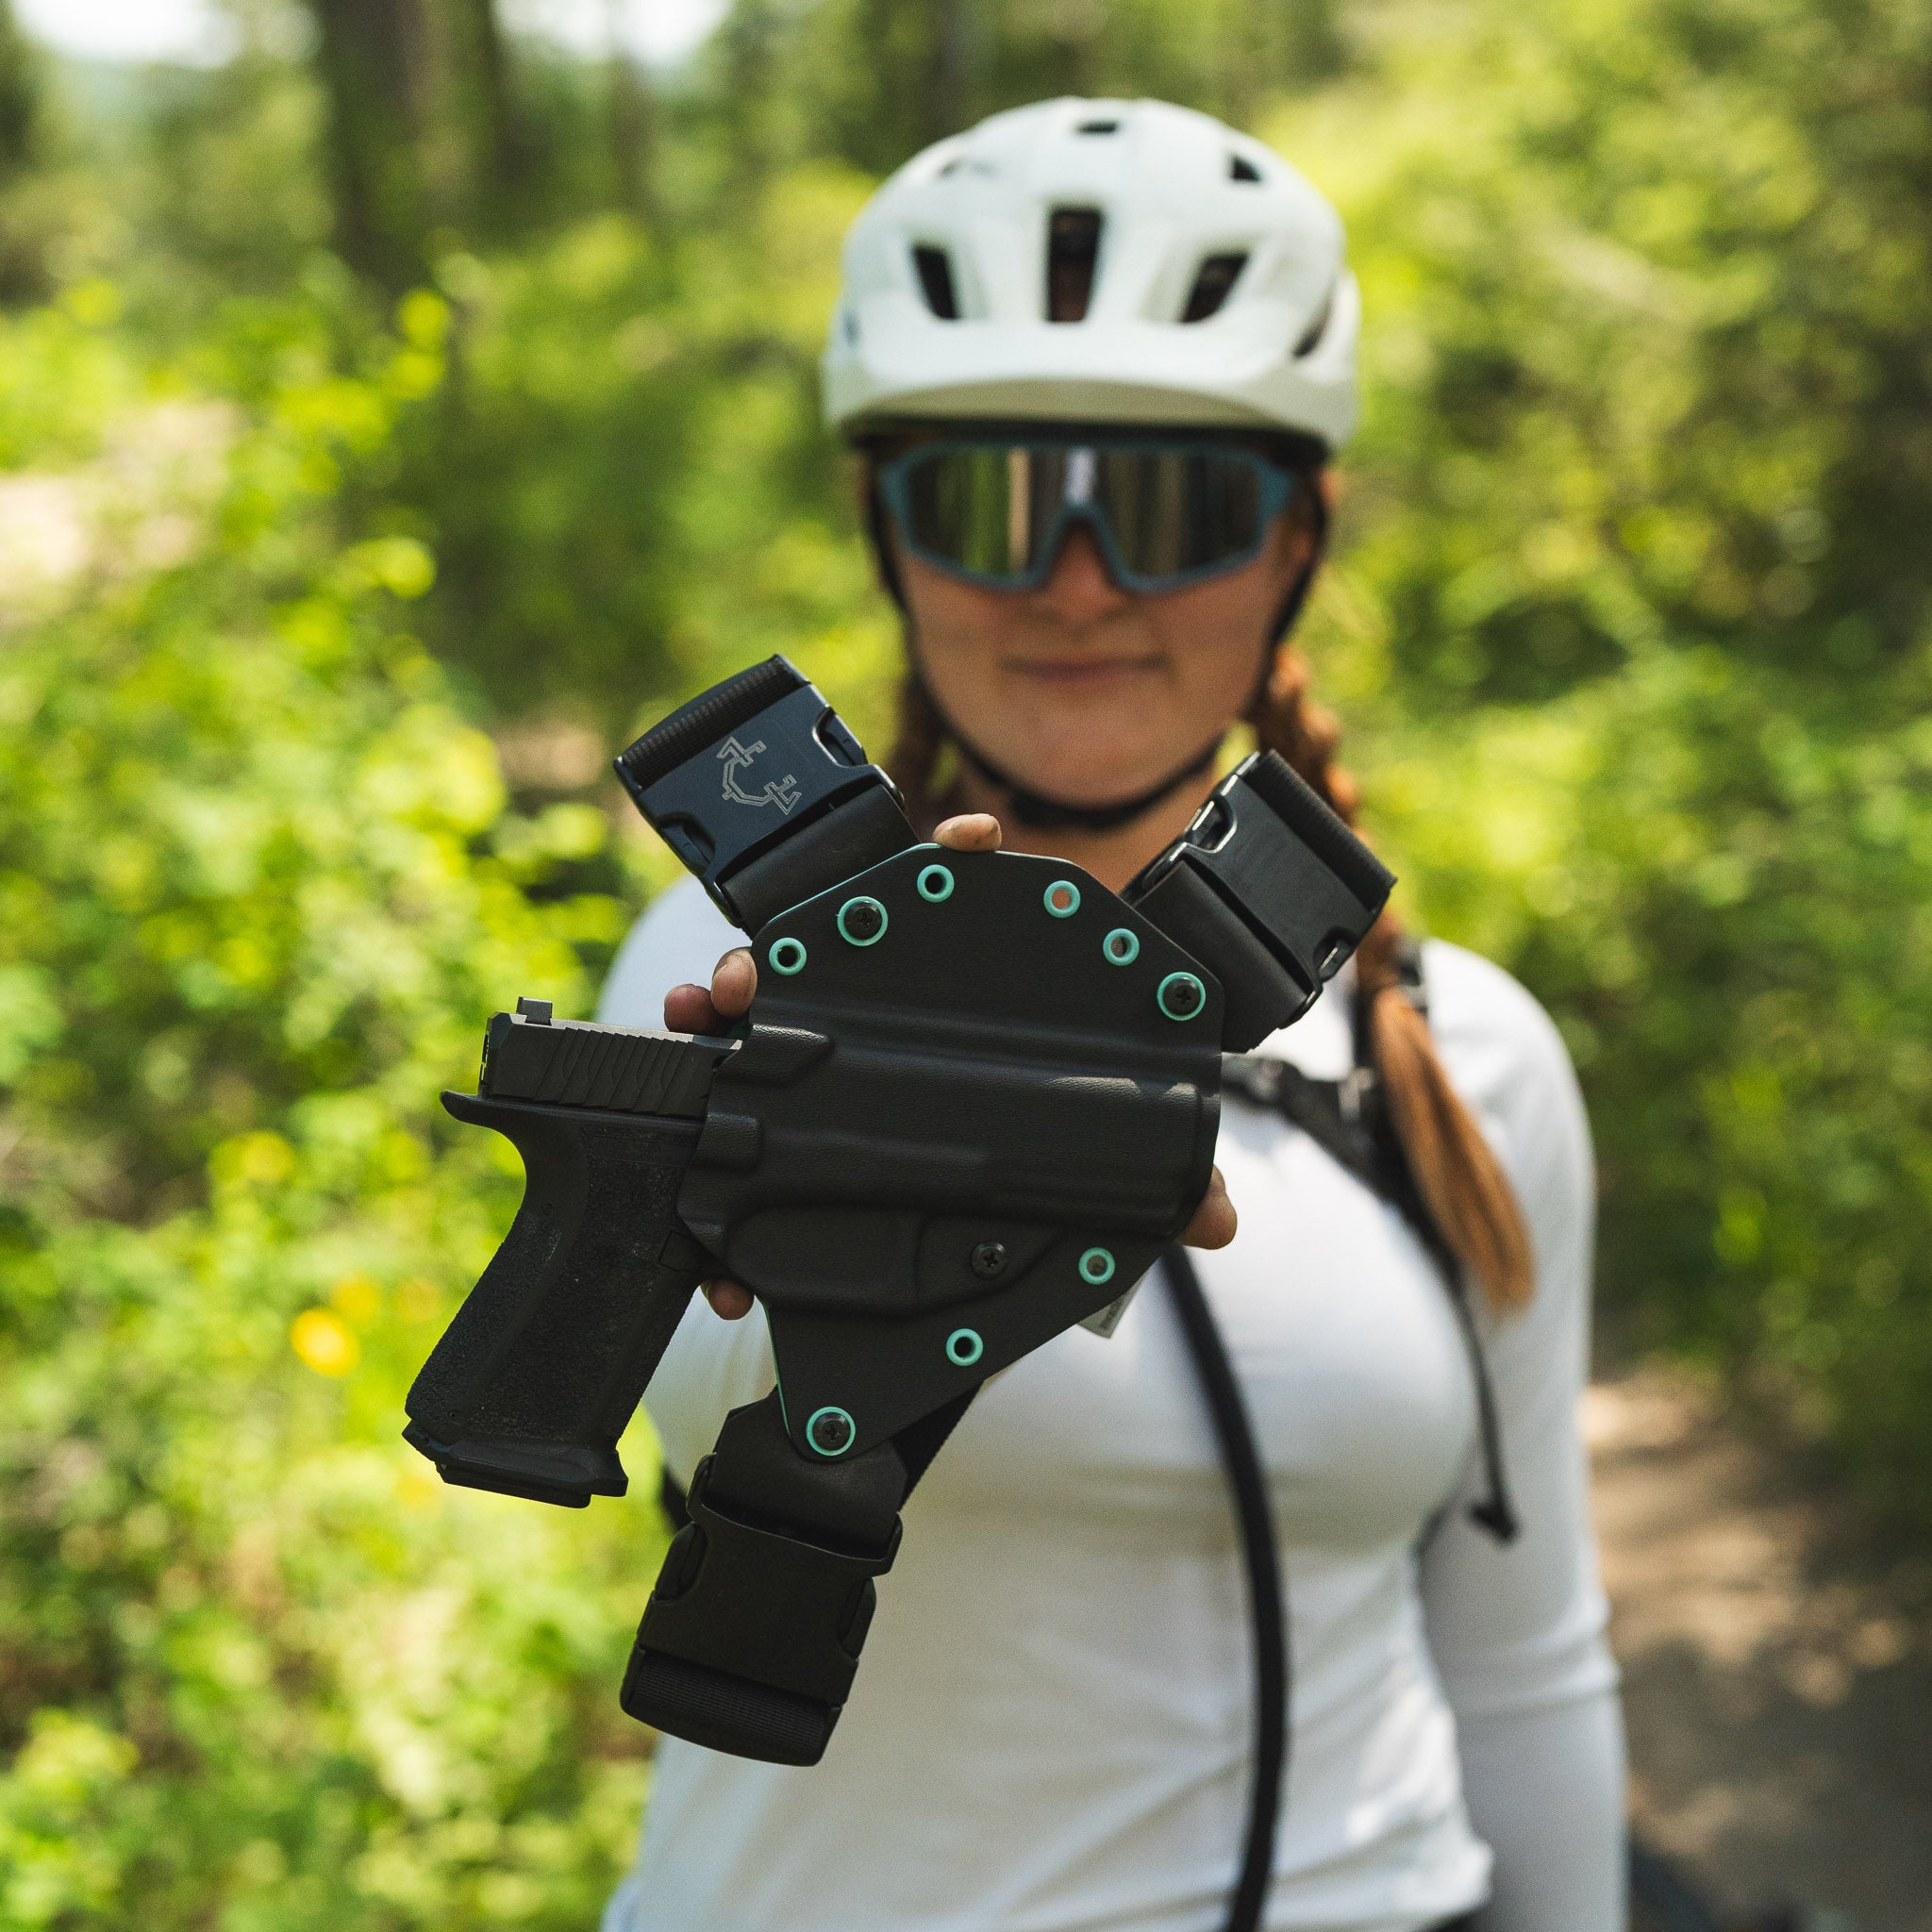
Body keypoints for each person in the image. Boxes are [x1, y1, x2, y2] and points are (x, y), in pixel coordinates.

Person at [599, 96, 1624, 1932]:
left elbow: (1526, 1656)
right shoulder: (714, 960)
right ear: (885, 532)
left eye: (1168, 502)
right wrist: (786, 1147)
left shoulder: (1465, 1063)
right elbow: (689, 1415)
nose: (1076, 580)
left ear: (1296, 540)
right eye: (993, 501)